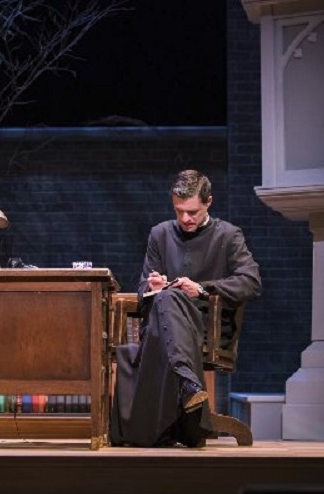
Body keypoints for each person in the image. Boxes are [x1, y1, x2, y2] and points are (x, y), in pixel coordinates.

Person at [110, 169, 262, 448]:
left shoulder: (228, 235)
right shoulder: (160, 234)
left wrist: (201, 289)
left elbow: (251, 282)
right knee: (166, 297)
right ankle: (187, 383)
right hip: (162, 326)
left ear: (208, 202)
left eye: (192, 212)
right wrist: (153, 286)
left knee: (169, 299)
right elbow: (143, 287)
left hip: (204, 327)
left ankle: (177, 394)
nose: (185, 219)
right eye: (179, 211)